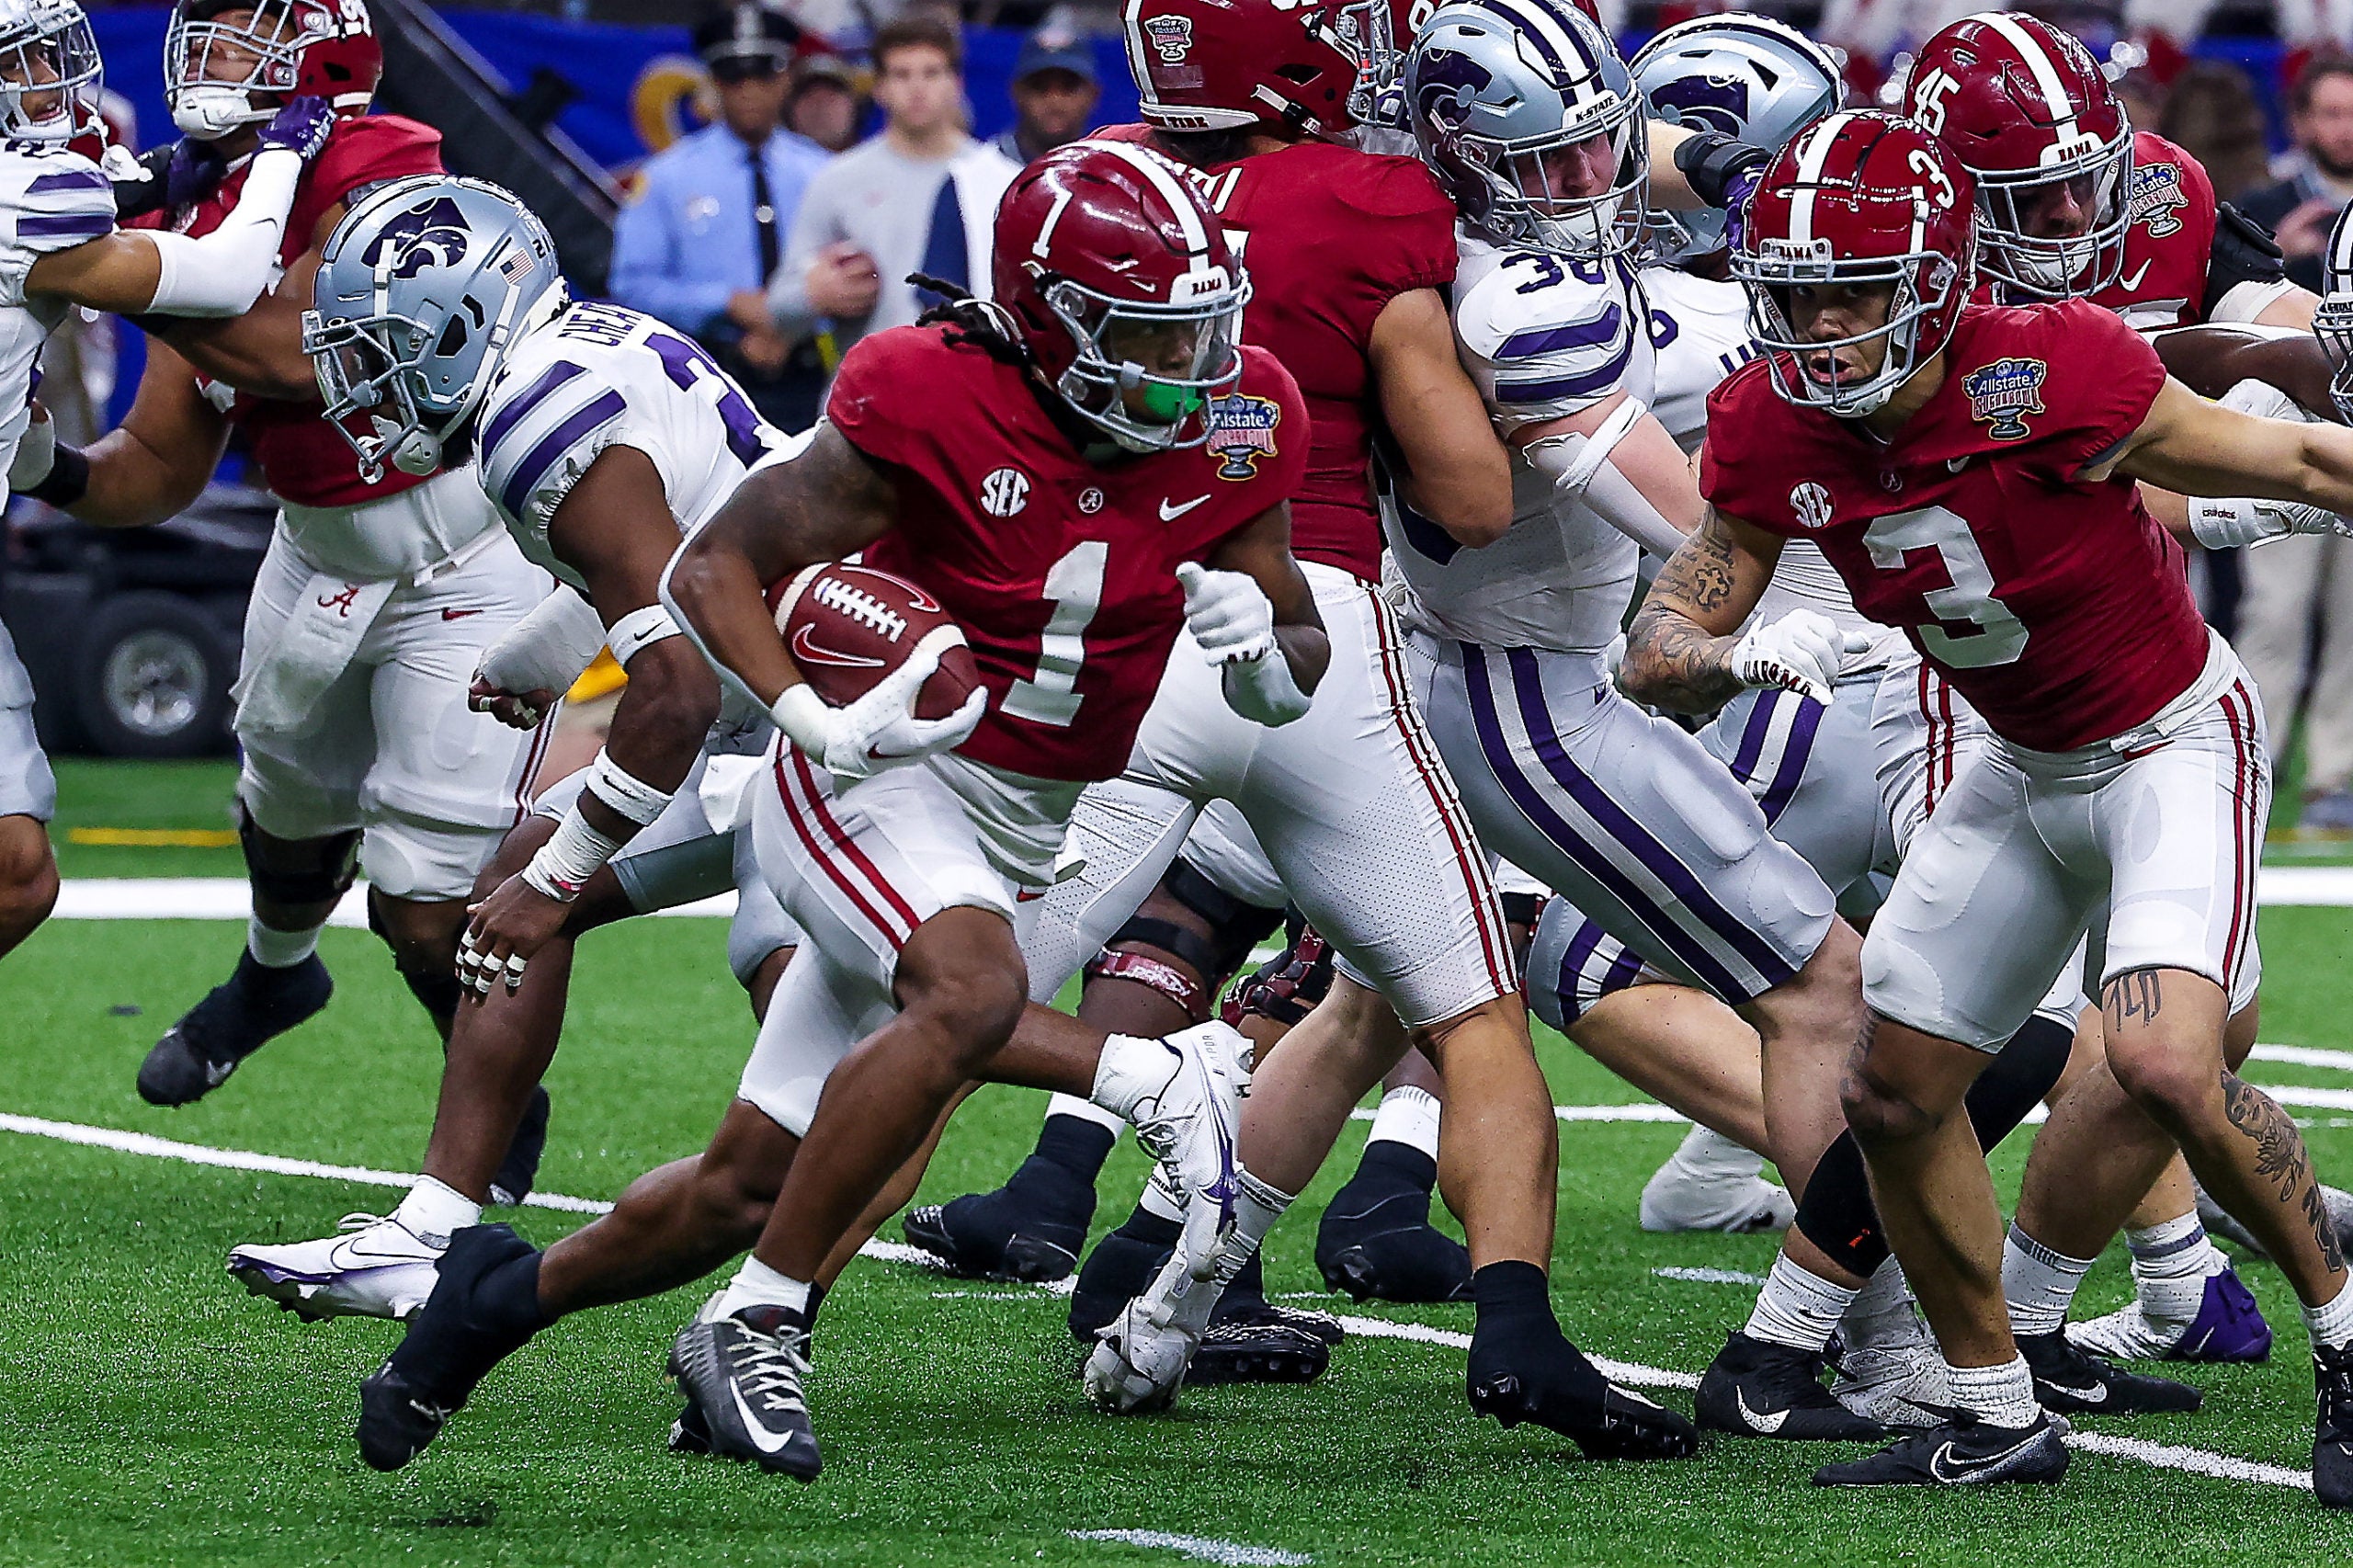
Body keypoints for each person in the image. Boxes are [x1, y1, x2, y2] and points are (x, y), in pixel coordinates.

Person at [352, 138, 1321, 1480]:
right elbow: (715, 568)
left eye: (1202, 329)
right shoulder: (925, 387)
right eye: (1146, 333)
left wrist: (1262, 649)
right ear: (1048, 320)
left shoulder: (1242, 407)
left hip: (1036, 817)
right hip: (876, 766)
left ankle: (489, 1307)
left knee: (751, 1183)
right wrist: (809, 715)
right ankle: (766, 1317)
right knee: (972, 998)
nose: (1189, 368)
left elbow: (1295, 653)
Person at [1627, 106, 2353, 1498]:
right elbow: (1656, 642)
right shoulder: (1770, 416)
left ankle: (2348, 1337)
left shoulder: (2056, 367)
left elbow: (2297, 462)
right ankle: (1992, 1403)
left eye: (1854, 293)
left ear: (1940, 280)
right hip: (2015, 762)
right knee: (1894, 1093)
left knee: (2165, 1063)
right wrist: (1725, 655)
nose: (1824, 332)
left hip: (2166, 743)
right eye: (1797, 299)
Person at [223, 176, 810, 1320]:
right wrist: (546, 645)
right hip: (774, 690)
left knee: (842, 1023)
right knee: (507, 898)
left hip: (824, 717)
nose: (358, 377)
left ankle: (1145, 1095)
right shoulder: (587, 346)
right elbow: (667, 548)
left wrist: (562, 873)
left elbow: (674, 687)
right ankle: (435, 1228)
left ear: (462, 321)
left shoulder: (532, 419)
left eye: (380, 345)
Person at [12, 0, 557, 1210]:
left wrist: (89, 261)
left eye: (237, 37)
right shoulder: (217, 197)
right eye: (198, 38)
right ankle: (278, 972)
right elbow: (158, 463)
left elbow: (291, 354)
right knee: (285, 805)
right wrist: (46, 463)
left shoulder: (383, 162)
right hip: (315, 550)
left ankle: (480, 1121)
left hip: (465, 554)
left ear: (324, 52)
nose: (206, 61)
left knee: (427, 906)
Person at [0, 0, 331, 968]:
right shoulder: (24, 198)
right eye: (20, 64)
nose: (49, 81)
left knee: (18, 870)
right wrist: (281, 150)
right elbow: (227, 279)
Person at [609, 2, 830, 432]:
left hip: (811, 372)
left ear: (787, 78)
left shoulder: (823, 173)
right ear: (711, 82)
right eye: (733, 75)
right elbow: (630, 286)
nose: (749, 88)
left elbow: (854, 273)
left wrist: (790, 320)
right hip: (704, 375)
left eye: (763, 73)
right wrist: (726, 302)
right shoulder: (667, 177)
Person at [765, 14, 1018, 363]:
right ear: (879, 87)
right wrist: (815, 294)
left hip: (970, 392)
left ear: (956, 84)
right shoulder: (838, 179)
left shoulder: (998, 180)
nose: (917, 88)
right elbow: (780, 307)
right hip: (864, 399)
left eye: (931, 73)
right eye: (901, 74)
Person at [2239, 58, 2353, 295]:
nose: (2347, 130)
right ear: (2300, 123)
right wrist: (2277, 254)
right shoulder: (2258, 211)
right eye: (2333, 114)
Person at [991, 27, 1098, 165]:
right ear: (1017, 93)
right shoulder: (971, 173)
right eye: (1039, 86)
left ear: (1093, 94)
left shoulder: (1113, 174)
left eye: (1069, 87)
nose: (1055, 101)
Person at [785, 53, 861, 154]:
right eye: (809, 95)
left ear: (852, 104)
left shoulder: (877, 159)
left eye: (831, 95)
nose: (820, 106)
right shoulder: (770, 165)